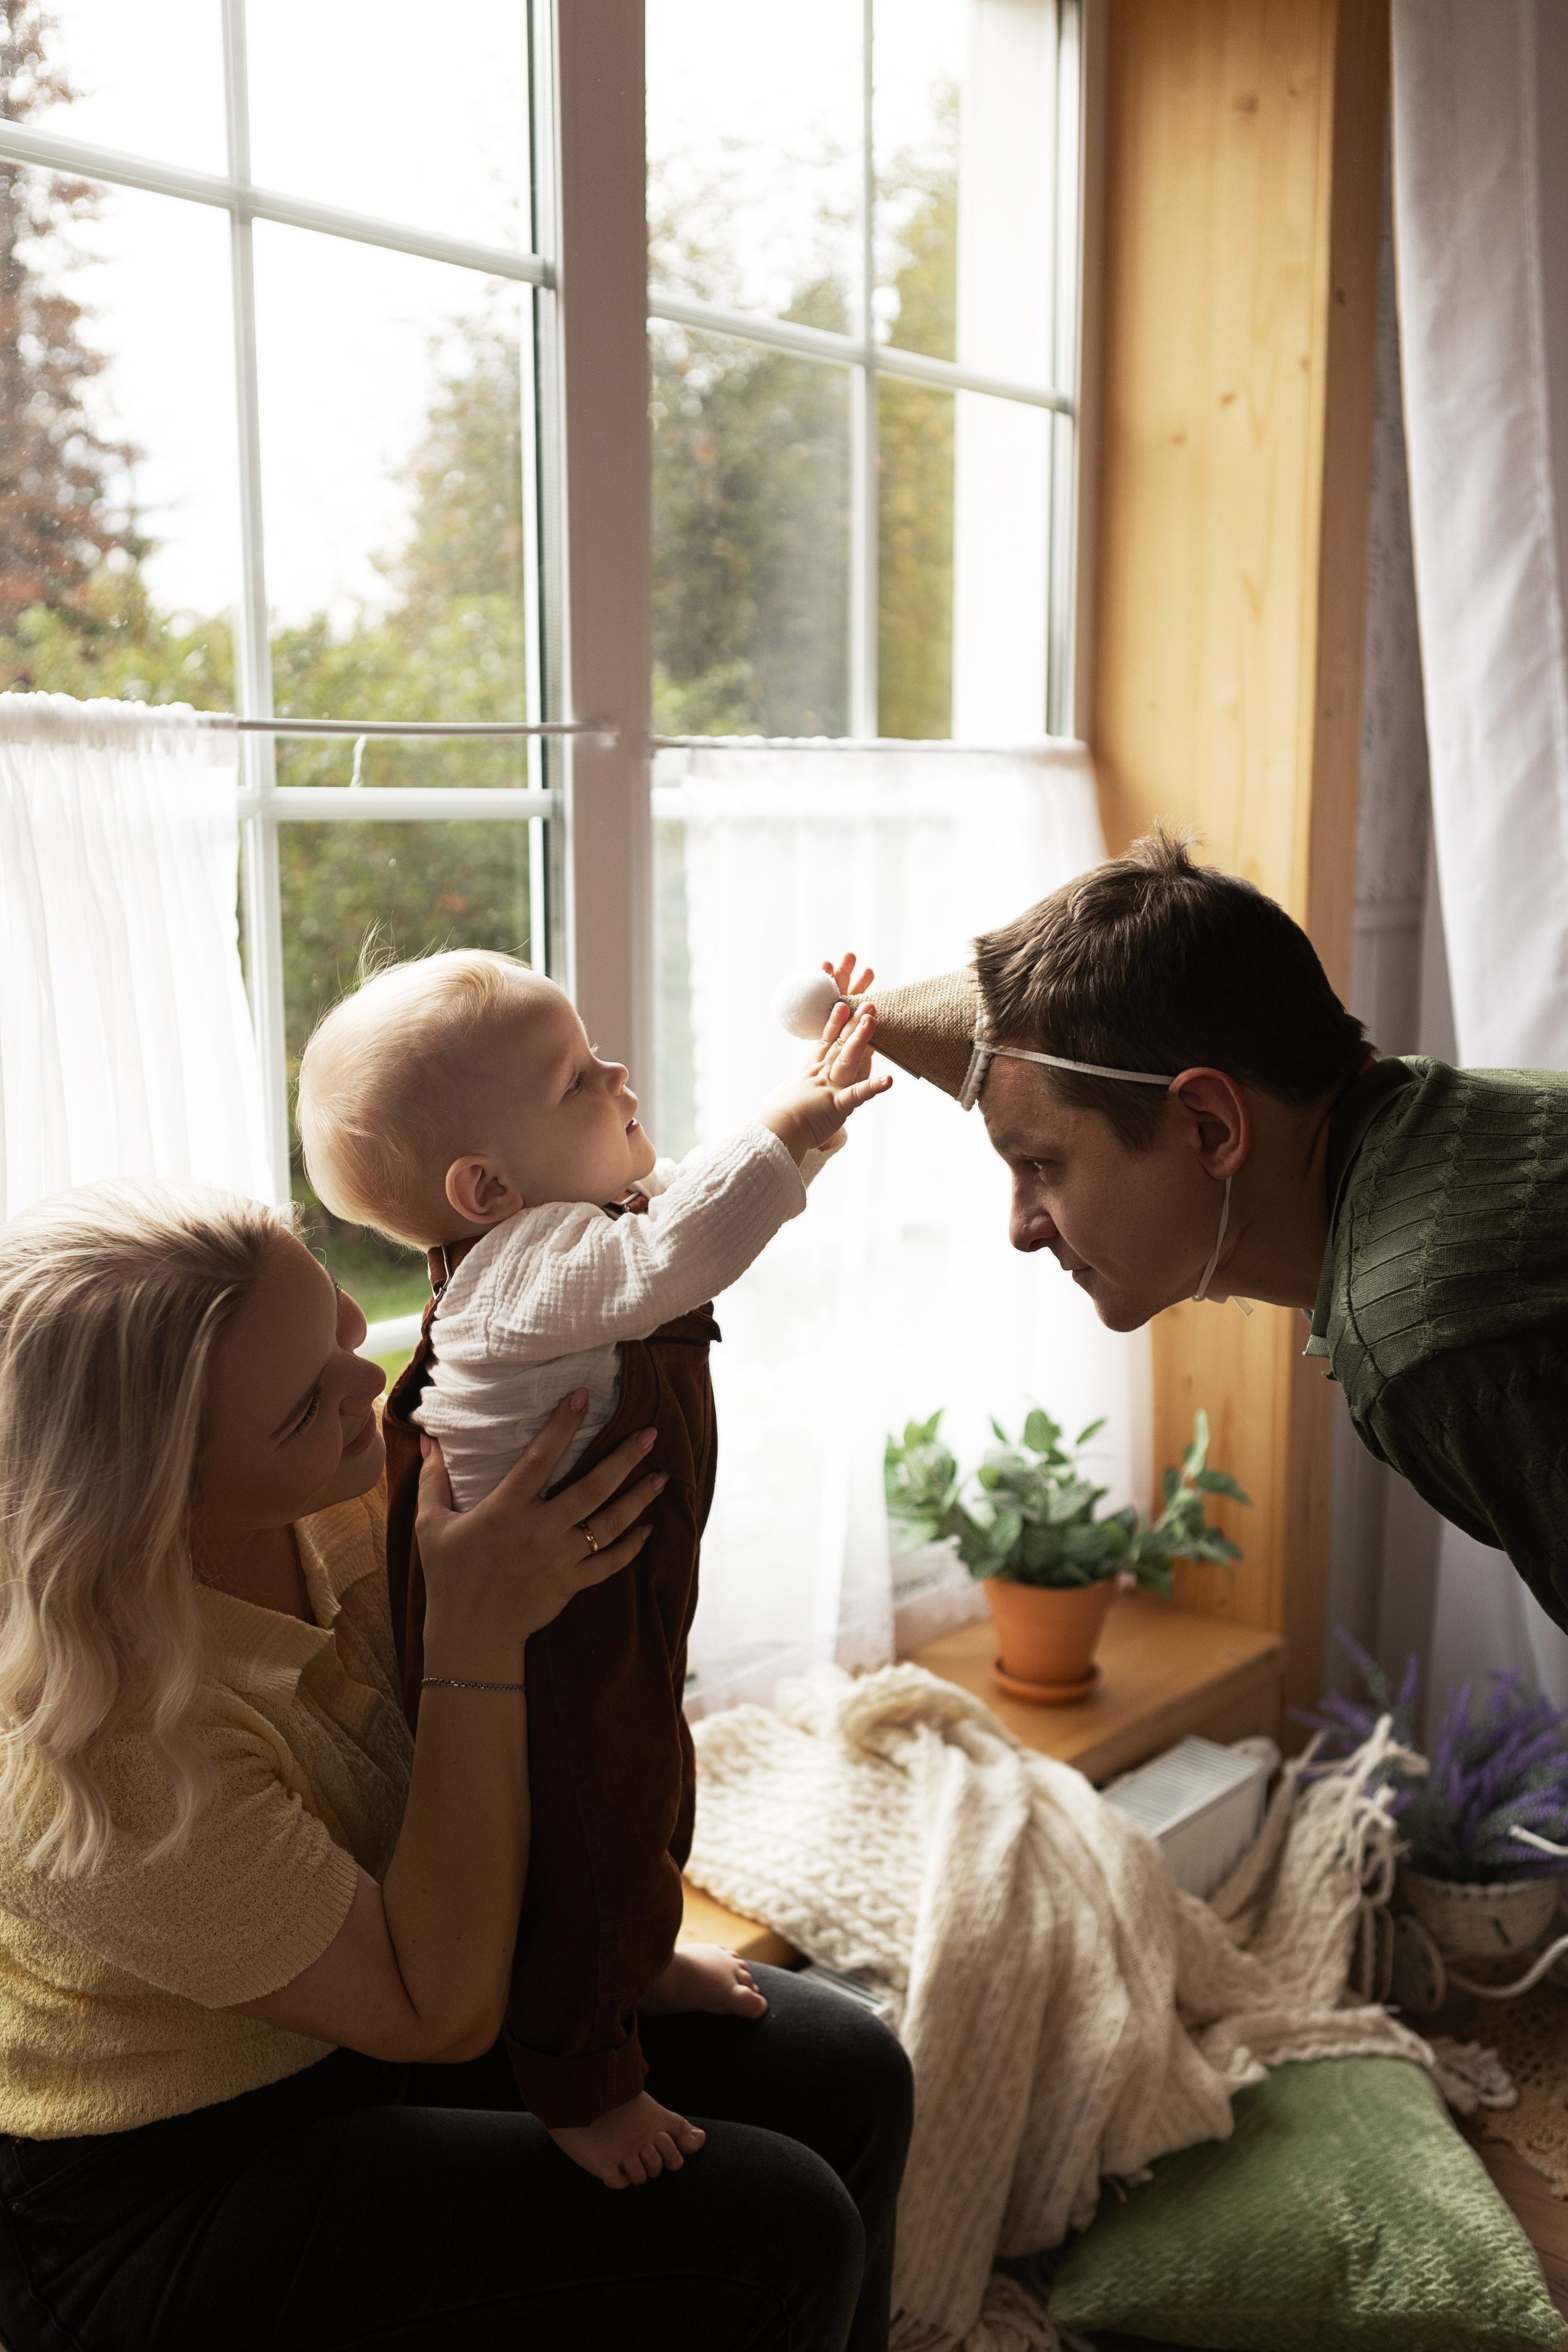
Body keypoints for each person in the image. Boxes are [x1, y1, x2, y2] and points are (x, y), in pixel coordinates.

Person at [0, 1181, 912, 2352]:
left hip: (384, 2009)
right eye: (304, 1407)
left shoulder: (343, 1493)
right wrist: (477, 1642)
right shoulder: (92, 1752)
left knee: (847, 2069)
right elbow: (437, 2013)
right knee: (777, 2231)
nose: (367, 1383)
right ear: (150, 1495)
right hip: (173, 2181)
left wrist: (615, 1950)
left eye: (341, 1324)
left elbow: (572, 1739)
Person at [295, 948, 889, 2189]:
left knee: (651, 1787)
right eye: (575, 1077)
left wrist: (810, 1123)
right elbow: (679, 1250)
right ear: (487, 1187)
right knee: (587, 1824)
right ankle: (580, 2077)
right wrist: (790, 1129)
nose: (615, 1072)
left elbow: (692, 1205)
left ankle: (639, 1958)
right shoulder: (520, 1275)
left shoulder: (569, 1231)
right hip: (544, 1628)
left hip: (606, 1584)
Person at [865, 826, 1568, 1634]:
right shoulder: (1470, 1115)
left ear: (1210, 1127)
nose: (1021, 1229)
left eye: (1040, 1163)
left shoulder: (1423, 1331)